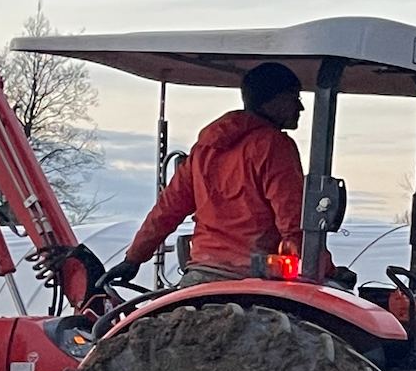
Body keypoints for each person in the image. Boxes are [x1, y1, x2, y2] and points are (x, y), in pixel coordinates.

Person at [104, 62, 316, 288]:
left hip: (200, 275)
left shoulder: (205, 149)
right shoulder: (274, 146)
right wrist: (325, 268)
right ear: (275, 101)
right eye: (295, 97)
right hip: (253, 278)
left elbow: (167, 209)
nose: (300, 108)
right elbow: (294, 220)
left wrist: (134, 258)